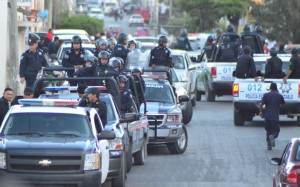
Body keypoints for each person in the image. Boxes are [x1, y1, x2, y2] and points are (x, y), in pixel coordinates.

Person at [259, 83, 285, 150]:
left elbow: (260, 105)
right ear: (276, 88)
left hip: (267, 116)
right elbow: (283, 104)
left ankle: (269, 146)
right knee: (276, 130)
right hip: (275, 117)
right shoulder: (279, 96)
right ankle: (273, 136)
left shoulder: (266, 95)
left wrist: (261, 111)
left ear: (270, 88)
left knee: (268, 130)